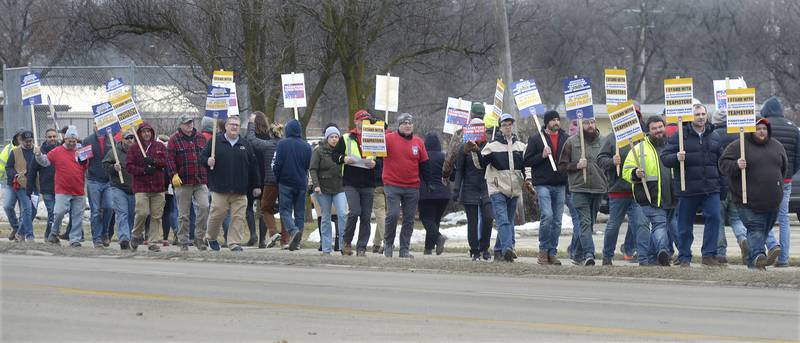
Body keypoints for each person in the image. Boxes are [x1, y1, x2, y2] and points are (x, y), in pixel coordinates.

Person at [719, 118, 787, 269]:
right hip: (747, 201)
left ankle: (752, 262)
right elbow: (723, 165)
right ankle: (758, 256)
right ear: (751, 130)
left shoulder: (777, 146)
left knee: (763, 230)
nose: (761, 131)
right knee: (755, 228)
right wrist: (736, 164)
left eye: (764, 128)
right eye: (758, 128)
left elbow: (783, 169)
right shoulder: (739, 146)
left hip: (772, 202)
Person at [661, 103, 723, 267]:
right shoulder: (680, 136)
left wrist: (722, 186)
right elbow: (665, 158)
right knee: (684, 225)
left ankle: (709, 255)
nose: (701, 117)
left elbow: (721, 163)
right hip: (686, 188)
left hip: (711, 188)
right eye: (697, 114)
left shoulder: (714, 136)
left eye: (703, 114)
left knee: (715, 218)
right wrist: (676, 157)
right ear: (691, 117)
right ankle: (684, 257)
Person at [597, 103, 648, 265]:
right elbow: (600, 160)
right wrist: (612, 161)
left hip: (638, 190)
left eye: (636, 115)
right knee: (613, 226)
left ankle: (643, 256)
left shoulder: (643, 138)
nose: (634, 118)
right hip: (618, 191)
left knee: (641, 224)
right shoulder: (612, 138)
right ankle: (607, 256)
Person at [622, 116, 677, 266]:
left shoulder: (673, 145)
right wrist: (635, 173)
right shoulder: (638, 149)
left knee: (660, 226)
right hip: (647, 196)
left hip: (670, 196)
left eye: (660, 127)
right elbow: (625, 171)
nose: (658, 130)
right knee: (651, 227)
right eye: (654, 128)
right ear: (648, 131)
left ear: (664, 127)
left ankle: (656, 256)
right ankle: (658, 252)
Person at [473, 113, 528, 262]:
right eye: (504, 125)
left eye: (510, 124)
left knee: (508, 221)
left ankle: (498, 251)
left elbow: (526, 167)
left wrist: (528, 180)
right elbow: (480, 164)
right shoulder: (492, 147)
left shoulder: (521, 146)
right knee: (503, 221)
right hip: (497, 188)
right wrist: (474, 150)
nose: (508, 127)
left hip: (514, 189)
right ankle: (508, 248)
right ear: (500, 127)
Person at [558, 118, 606, 266]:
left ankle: (577, 253)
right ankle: (589, 254)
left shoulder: (604, 142)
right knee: (584, 222)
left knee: (589, 223)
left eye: (592, 122)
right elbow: (562, 166)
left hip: (598, 188)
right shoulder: (571, 142)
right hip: (579, 188)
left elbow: (608, 162)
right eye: (586, 123)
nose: (590, 126)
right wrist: (576, 165)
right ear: (580, 124)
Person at [382, 113, 431, 258]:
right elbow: (374, 150)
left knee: (409, 219)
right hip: (392, 184)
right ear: (399, 125)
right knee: (393, 214)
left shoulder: (418, 142)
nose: (408, 125)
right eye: (404, 123)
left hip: (412, 186)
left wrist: (429, 182)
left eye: (410, 123)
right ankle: (388, 244)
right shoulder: (389, 139)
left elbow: (424, 164)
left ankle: (404, 249)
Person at [524, 110, 568, 265]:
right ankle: (543, 250)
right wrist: (541, 155)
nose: (556, 122)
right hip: (543, 183)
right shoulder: (537, 139)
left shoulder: (565, 138)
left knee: (557, 221)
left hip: (560, 183)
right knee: (547, 216)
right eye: (553, 120)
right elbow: (527, 160)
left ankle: (552, 252)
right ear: (547, 122)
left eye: (558, 119)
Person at [331, 110, 377, 256]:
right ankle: (346, 242)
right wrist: (343, 159)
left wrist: (375, 163)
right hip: (351, 181)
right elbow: (335, 155)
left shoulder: (375, 136)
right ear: (356, 121)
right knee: (355, 212)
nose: (364, 123)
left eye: (367, 120)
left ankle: (362, 247)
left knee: (366, 216)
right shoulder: (346, 138)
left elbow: (380, 157)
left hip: (369, 181)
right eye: (362, 120)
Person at [761, 97, 799, 268]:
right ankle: (783, 259)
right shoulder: (794, 128)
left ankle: (771, 245)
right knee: (784, 218)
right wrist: (789, 173)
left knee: (762, 215)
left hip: (766, 179)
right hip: (786, 179)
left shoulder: (763, 126)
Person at [37, 126, 89, 247]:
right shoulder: (57, 151)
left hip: (79, 190)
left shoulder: (82, 151)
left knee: (77, 215)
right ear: (64, 139)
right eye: (69, 141)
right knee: (59, 212)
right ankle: (54, 233)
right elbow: (44, 162)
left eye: (74, 141)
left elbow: (86, 167)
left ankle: (74, 239)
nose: (72, 143)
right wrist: (38, 154)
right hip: (62, 190)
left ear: (77, 140)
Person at [167, 114, 211, 251]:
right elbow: (170, 160)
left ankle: (199, 238)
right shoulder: (174, 140)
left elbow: (207, 156)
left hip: (200, 180)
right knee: (183, 214)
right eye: (186, 123)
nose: (189, 125)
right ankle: (183, 240)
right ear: (180, 125)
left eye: (190, 122)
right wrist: (173, 174)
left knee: (204, 207)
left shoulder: (201, 138)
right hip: (182, 182)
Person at [711, 110, 749, 264]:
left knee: (718, 221)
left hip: (718, 185)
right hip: (737, 185)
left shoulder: (713, 137)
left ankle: (720, 253)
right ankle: (743, 239)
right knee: (736, 218)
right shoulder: (739, 136)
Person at [454, 118, 494, 261]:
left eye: (479, 127)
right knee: (473, 221)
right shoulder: (464, 148)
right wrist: (456, 188)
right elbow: (459, 170)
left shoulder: (489, 146)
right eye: (474, 127)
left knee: (489, 217)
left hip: (486, 188)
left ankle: (485, 247)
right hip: (470, 188)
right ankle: (475, 249)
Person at [126, 122, 168, 252]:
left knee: (156, 216)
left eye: (148, 131)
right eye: (143, 132)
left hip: (158, 187)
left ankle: (153, 242)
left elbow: (166, 162)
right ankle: (136, 235)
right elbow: (129, 166)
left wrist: (154, 162)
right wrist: (143, 170)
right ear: (139, 133)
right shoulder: (134, 148)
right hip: (141, 187)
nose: (146, 134)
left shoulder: (159, 146)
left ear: (152, 133)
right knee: (142, 212)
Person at [245, 113, 285, 249]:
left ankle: (254, 235)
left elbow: (250, 140)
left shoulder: (264, 143)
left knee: (255, 207)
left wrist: (250, 124)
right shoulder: (274, 140)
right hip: (276, 178)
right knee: (277, 208)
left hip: (258, 177)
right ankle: (266, 239)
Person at [272, 119, 312, 251]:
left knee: (284, 211)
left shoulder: (282, 144)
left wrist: (277, 178)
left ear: (287, 130)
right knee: (300, 213)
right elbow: (308, 166)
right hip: (301, 183)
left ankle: (293, 231)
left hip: (285, 182)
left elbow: (277, 164)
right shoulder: (307, 146)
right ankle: (297, 242)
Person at [310, 125, 347, 255]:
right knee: (325, 217)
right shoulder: (319, 151)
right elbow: (313, 169)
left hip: (339, 187)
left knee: (342, 214)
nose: (334, 139)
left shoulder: (342, 151)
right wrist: (316, 185)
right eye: (331, 137)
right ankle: (326, 247)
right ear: (327, 138)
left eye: (336, 136)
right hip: (323, 188)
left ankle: (343, 246)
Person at [103, 132, 136, 249]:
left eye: (132, 137)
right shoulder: (114, 152)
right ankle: (124, 238)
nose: (130, 140)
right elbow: (105, 166)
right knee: (122, 213)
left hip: (134, 189)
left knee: (132, 215)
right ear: (122, 139)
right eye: (127, 138)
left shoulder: (138, 152)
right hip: (118, 188)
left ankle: (132, 238)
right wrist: (113, 168)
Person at [418, 133, 450, 255]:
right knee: (435, 221)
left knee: (426, 219)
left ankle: (438, 237)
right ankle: (428, 248)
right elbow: (450, 174)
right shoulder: (444, 157)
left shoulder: (423, 156)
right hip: (444, 194)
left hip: (426, 193)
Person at [83, 125, 115, 247]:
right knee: (95, 211)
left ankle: (105, 233)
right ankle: (96, 239)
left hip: (108, 181)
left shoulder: (112, 140)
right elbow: (82, 160)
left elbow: (114, 159)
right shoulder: (88, 141)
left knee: (109, 207)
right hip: (93, 180)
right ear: (94, 126)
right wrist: (80, 156)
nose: (99, 128)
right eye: (97, 125)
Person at [5, 131, 37, 242]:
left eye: (30, 141)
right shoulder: (14, 152)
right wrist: (15, 174)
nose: (29, 143)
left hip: (30, 185)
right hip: (15, 184)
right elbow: (8, 167)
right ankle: (19, 229)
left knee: (30, 210)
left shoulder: (36, 151)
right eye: (26, 141)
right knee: (8, 206)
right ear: (21, 141)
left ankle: (24, 234)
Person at [29, 129, 59, 239]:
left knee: (57, 213)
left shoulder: (61, 149)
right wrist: (30, 187)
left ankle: (51, 234)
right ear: (46, 138)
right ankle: (49, 236)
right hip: (46, 187)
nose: (52, 139)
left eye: (54, 136)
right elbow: (33, 169)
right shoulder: (40, 151)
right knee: (52, 212)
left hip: (61, 188)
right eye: (50, 137)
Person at [1, 130, 24, 240]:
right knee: (7, 206)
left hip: (25, 185)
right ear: (15, 138)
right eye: (20, 137)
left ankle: (20, 232)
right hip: (11, 184)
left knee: (24, 209)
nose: (22, 139)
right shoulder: (8, 149)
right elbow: (1, 165)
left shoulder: (30, 148)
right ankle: (16, 227)